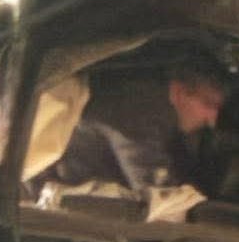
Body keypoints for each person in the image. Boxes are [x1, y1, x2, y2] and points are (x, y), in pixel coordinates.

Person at [53, 60, 228, 195]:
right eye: (209, 104)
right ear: (179, 92)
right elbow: (159, 198)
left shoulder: (152, 104)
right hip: (62, 210)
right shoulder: (142, 113)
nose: (212, 120)